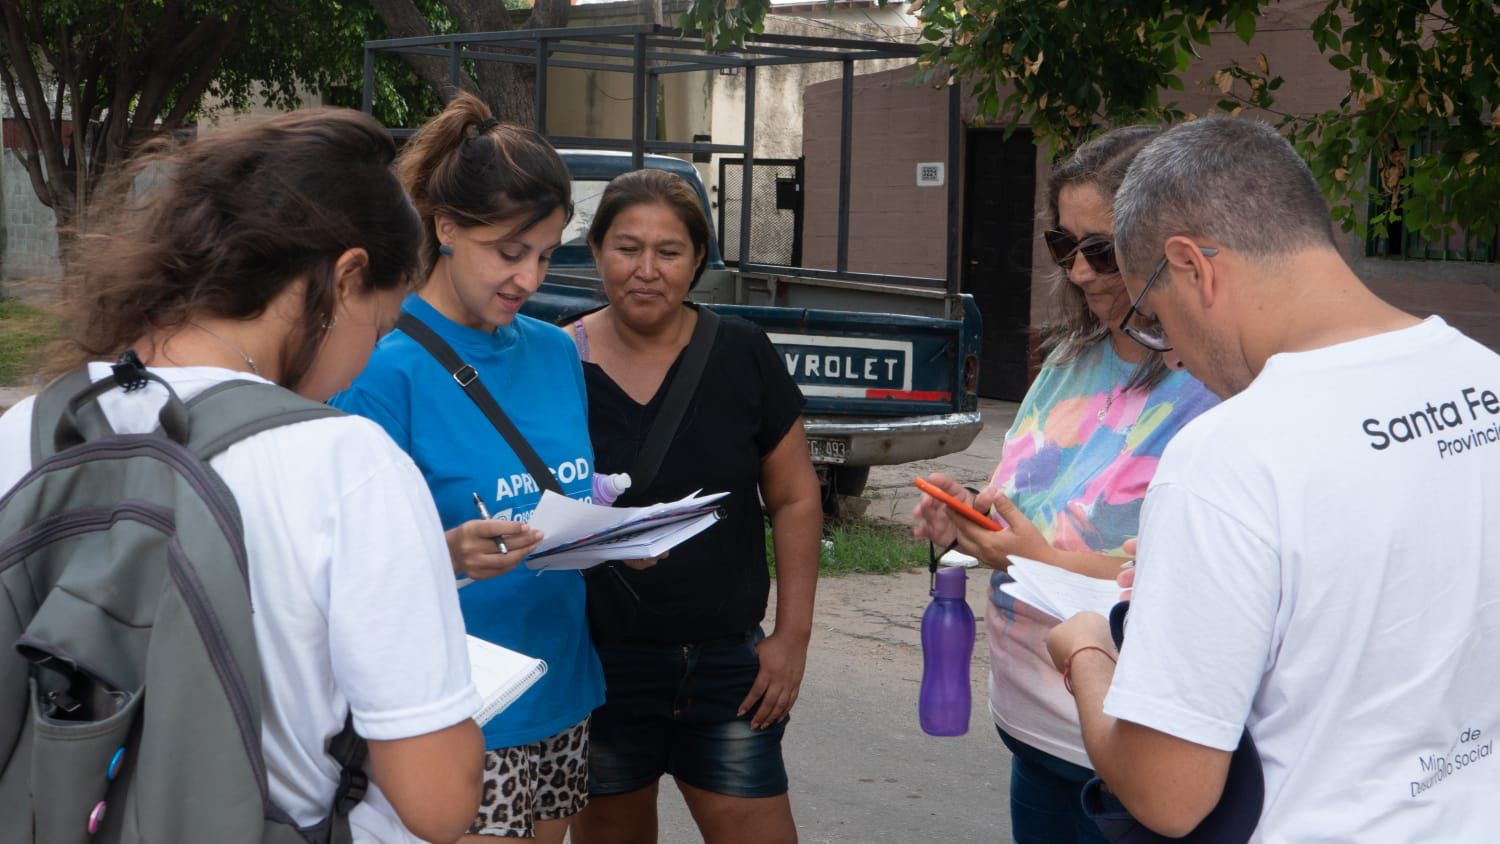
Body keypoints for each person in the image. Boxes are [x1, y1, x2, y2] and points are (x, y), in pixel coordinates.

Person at [0, 109, 484, 842]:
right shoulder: (349, 463)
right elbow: (439, 803)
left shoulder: (31, 426)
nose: (364, 363)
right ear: (348, 276)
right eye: (380, 328)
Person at [1043, 116, 1500, 840]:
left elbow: (1169, 794)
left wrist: (1088, 652)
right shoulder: (1485, 378)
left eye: (1156, 318)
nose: (1176, 356)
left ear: (1193, 266)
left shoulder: (1228, 456)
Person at [912, 125, 1219, 843]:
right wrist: (968, 513)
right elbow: (1030, 494)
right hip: (1032, 726)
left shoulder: (1217, 380)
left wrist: (1029, 557)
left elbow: (1197, 573)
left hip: (1128, 745)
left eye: (1102, 249)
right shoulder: (1071, 355)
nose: (1079, 272)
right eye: (1063, 246)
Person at [330, 93, 603, 843]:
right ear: (446, 228)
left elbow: (571, 487)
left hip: (561, 686)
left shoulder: (556, 351)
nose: (528, 279)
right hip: (455, 707)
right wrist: (446, 554)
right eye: (509, 253)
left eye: (546, 255)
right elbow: (345, 563)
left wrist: (616, 532)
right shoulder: (383, 367)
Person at [565, 169, 822, 844]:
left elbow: (794, 497)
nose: (646, 270)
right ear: (595, 251)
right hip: (598, 666)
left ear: (698, 261)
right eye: (626, 247)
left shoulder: (741, 353)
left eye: (669, 251)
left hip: (726, 669)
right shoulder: (555, 361)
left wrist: (791, 638)